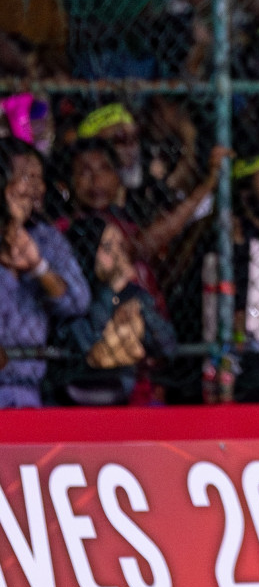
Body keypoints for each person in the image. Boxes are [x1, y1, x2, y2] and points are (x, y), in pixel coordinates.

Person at [50, 216, 176, 405]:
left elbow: (168, 347)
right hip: (79, 395)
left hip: (128, 397)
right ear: (89, 251)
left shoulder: (134, 294)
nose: (118, 254)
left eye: (120, 246)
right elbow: (91, 350)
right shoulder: (74, 301)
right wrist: (110, 292)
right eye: (108, 248)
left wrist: (141, 311)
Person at [0, 146, 88, 407]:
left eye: (40, 178)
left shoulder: (46, 238)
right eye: (26, 177)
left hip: (30, 389)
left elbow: (77, 301)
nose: (35, 189)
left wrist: (38, 267)